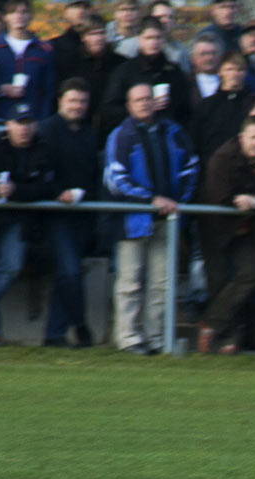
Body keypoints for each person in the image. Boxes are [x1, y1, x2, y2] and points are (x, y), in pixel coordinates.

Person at [104, 83, 199, 355]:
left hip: (167, 220)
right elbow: (116, 179)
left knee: (162, 283)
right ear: (129, 105)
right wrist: (150, 200)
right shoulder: (121, 135)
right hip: (133, 220)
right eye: (138, 100)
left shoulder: (174, 132)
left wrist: (180, 200)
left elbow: (191, 166)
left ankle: (156, 338)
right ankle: (129, 337)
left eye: (148, 98)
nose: (144, 103)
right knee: (131, 281)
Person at [197, 115, 255, 354]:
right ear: (241, 138)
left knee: (251, 275)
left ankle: (210, 324)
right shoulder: (222, 157)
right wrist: (241, 201)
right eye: (253, 137)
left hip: (250, 225)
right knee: (217, 281)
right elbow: (218, 195)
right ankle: (224, 339)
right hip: (217, 227)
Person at [0, 102, 54, 345]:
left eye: (28, 123)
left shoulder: (42, 149)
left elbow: (45, 188)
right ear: (8, 125)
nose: (24, 129)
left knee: (10, 267)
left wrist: (16, 191)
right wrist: (8, 192)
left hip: (17, 219)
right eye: (19, 124)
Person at [39, 78, 98, 348]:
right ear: (61, 101)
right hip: (56, 214)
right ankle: (80, 326)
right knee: (71, 273)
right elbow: (40, 171)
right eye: (73, 100)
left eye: (83, 101)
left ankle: (54, 334)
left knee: (67, 275)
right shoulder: (47, 131)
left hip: (83, 214)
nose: (78, 106)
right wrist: (57, 192)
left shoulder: (89, 132)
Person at [101, 16, 191, 133]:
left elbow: (185, 108)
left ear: (164, 39)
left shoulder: (173, 71)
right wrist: (140, 108)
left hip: (168, 134)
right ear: (139, 39)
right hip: (135, 134)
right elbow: (109, 109)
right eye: (148, 38)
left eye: (158, 37)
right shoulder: (125, 71)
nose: (154, 42)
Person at [55, 13, 126, 143]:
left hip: (112, 131)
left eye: (101, 33)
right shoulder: (68, 62)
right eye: (92, 34)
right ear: (83, 37)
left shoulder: (120, 64)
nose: (98, 38)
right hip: (76, 131)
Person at [0, 0, 55, 121]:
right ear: (5, 17)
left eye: (24, 12)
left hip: (33, 119)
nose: (19, 16)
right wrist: (0, 89)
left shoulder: (44, 50)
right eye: (13, 12)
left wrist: (44, 120)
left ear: (31, 15)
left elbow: (49, 91)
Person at [190, 50, 251, 163]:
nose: (234, 74)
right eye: (229, 69)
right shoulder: (206, 105)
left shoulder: (252, 103)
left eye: (239, 70)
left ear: (245, 73)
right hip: (214, 166)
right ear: (220, 72)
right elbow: (196, 140)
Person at [116, 1, 191, 75]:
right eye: (160, 17)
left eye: (170, 17)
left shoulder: (179, 49)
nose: (166, 21)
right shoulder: (128, 46)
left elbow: (186, 76)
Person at [187, 34, 222, 107]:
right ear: (192, 58)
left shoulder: (227, 80)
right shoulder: (185, 83)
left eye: (213, 53)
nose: (209, 58)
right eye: (203, 54)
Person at [50, 0, 89, 64]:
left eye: (86, 7)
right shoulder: (54, 46)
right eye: (76, 7)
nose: (81, 11)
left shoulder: (102, 46)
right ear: (65, 13)